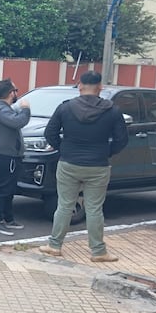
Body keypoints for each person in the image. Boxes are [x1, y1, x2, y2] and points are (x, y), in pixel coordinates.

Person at [39, 70, 128, 262]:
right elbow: (122, 140)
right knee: (95, 209)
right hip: (98, 165)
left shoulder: (65, 108)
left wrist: (64, 149)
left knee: (64, 206)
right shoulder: (112, 110)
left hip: (69, 163)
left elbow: (50, 133)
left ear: (80, 86)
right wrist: (107, 152)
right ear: (100, 88)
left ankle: (54, 246)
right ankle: (98, 252)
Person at [0, 78, 31, 235]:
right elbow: (18, 122)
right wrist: (26, 109)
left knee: (9, 188)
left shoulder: (4, 108)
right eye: (15, 90)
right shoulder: (1, 110)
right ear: (10, 93)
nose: (17, 94)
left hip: (10, 154)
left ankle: (8, 218)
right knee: (2, 188)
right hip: (4, 155)